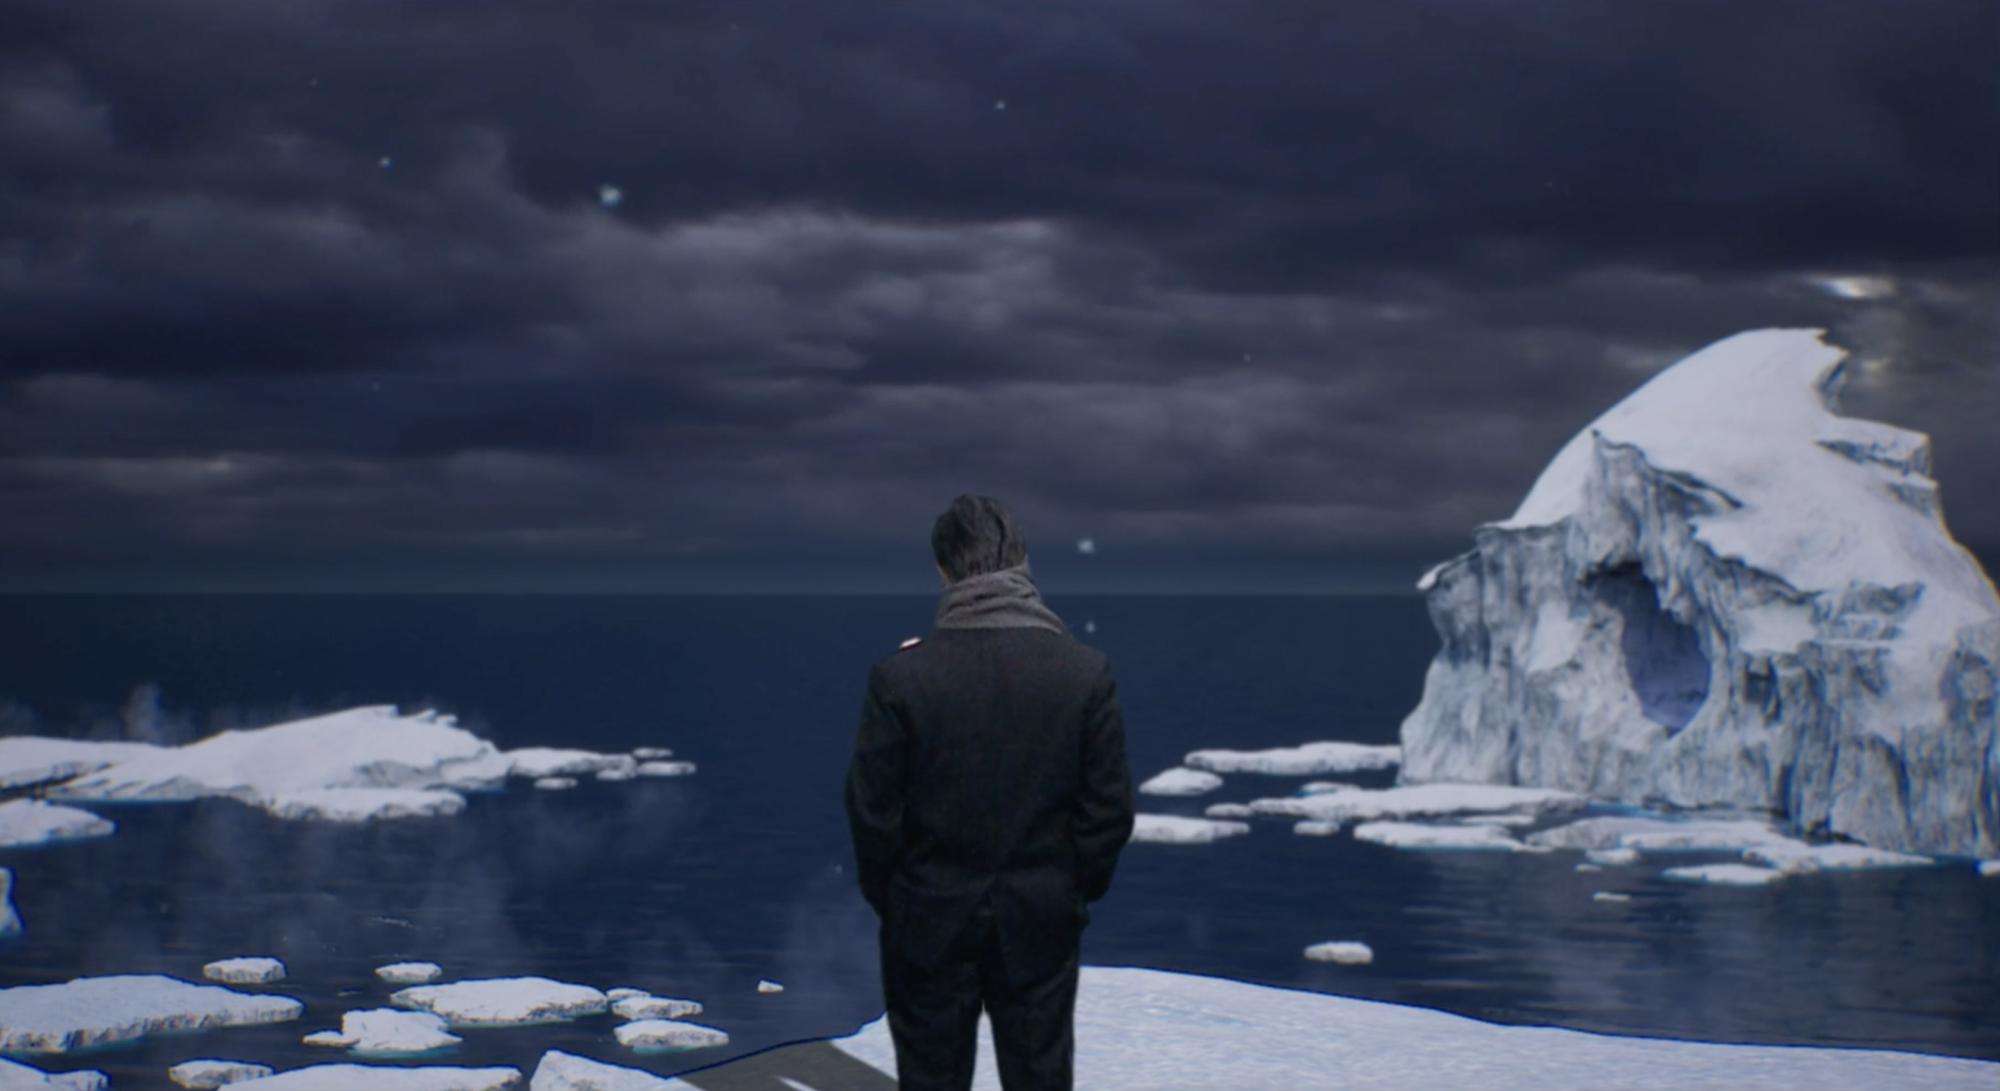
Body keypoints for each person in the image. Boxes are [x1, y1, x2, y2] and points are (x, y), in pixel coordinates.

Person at [845, 494, 1136, 1091]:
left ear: (943, 571)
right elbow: (1107, 809)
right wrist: (1070, 891)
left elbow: (872, 814)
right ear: (1023, 563)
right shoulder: (1084, 672)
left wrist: (900, 902)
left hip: (927, 918)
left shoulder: (901, 678)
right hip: (1040, 916)